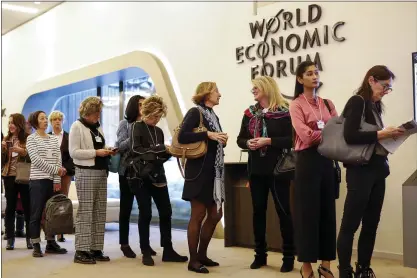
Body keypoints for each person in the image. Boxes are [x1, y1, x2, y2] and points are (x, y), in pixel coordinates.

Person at [337, 66, 405, 278]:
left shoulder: (375, 105)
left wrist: (389, 135)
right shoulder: (357, 101)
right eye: (384, 86)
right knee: (351, 224)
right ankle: (345, 271)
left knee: (371, 223)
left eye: (389, 88)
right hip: (360, 171)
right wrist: (381, 134)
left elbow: (372, 138)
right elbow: (350, 136)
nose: (386, 91)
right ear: (371, 80)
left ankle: (364, 268)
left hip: (377, 170)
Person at [237, 76, 295, 272]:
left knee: (284, 212)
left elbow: (292, 140)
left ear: (267, 88)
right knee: (258, 212)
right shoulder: (249, 113)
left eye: (256, 87)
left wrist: (268, 141)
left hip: (278, 170)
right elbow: (240, 138)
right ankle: (260, 255)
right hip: (256, 170)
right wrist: (248, 143)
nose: (252, 90)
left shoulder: (285, 111)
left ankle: (288, 257)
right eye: (252, 87)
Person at [289, 61, 338, 278]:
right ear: (300, 79)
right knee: (307, 214)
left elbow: (339, 130)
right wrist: (326, 134)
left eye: (316, 72)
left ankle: (326, 264)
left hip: (327, 160)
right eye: (309, 73)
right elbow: (305, 136)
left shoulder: (327, 103)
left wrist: (323, 134)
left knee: (328, 212)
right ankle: (306, 265)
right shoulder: (296, 104)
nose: (314, 76)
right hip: (307, 162)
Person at [129, 95, 188, 266]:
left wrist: (164, 153)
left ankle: (168, 249)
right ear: (146, 113)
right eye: (153, 116)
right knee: (145, 213)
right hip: (141, 176)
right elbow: (136, 151)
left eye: (158, 117)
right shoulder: (136, 127)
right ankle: (145, 251)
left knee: (166, 212)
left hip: (158, 175)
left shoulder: (159, 131)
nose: (156, 120)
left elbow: (159, 156)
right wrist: (158, 150)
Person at [179, 82, 227, 274]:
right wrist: (208, 134)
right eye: (217, 91)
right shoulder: (195, 112)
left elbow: (212, 140)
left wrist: (221, 139)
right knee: (198, 215)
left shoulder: (213, 115)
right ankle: (193, 260)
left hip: (214, 172)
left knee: (216, 214)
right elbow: (183, 136)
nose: (220, 94)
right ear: (206, 93)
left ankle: (202, 254)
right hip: (198, 172)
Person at [69, 96, 116, 264]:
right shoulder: (77, 126)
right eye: (97, 112)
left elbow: (97, 146)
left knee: (99, 212)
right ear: (88, 112)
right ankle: (81, 251)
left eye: (99, 112)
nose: (99, 115)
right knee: (86, 212)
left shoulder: (97, 127)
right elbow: (73, 152)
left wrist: (107, 149)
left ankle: (96, 248)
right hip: (86, 172)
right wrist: (96, 153)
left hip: (101, 172)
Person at [115, 95, 157, 258]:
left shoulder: (148, 124)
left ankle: (144, 245)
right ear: (134, 106)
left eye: (145, 104)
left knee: (145, 209)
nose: (143, 107)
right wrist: (136, 133)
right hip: (127, 171)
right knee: (125, 208)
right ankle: (124, 244)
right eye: (140, 104)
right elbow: (120, 145)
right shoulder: (125, 124)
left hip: (145, 171)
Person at [26, 111, 68, 257]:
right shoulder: (31, 139)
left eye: (45, 118)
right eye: (42, 119)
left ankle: (50, 243)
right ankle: (36, 244)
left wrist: (57, 179)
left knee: (52, 214)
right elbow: (36, 160)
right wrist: (56, 170)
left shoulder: (52, 139)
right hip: (37, 181)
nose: (45, 121)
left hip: (52, 181)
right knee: (36, 214)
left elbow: (58, 158)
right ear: (35, 122)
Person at [1, 113, 32, 250]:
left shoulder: (28, 139)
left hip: (24, 176)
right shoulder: (6, 139)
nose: (10, 125)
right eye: (9, 123)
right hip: (8, 176)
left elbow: (34, 158)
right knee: (10, 208)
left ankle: (30, 239)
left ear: (19, 124)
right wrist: (2, 150)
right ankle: (10, 239)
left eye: (12, 122)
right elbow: (2, 162)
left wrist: (22, 151)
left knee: (27, 207)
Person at [48, 110, 75, 242]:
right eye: (54, 119)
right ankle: (50, 230)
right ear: (51, 122)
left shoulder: (69, 137)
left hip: (65, 174)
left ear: (62, 121)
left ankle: (60, 232)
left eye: (59, 119)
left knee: (62, 201)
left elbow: (72, 157)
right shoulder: (46, 137)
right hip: (49, 173)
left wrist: (64, 169)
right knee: (50, 201)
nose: (57, 121)